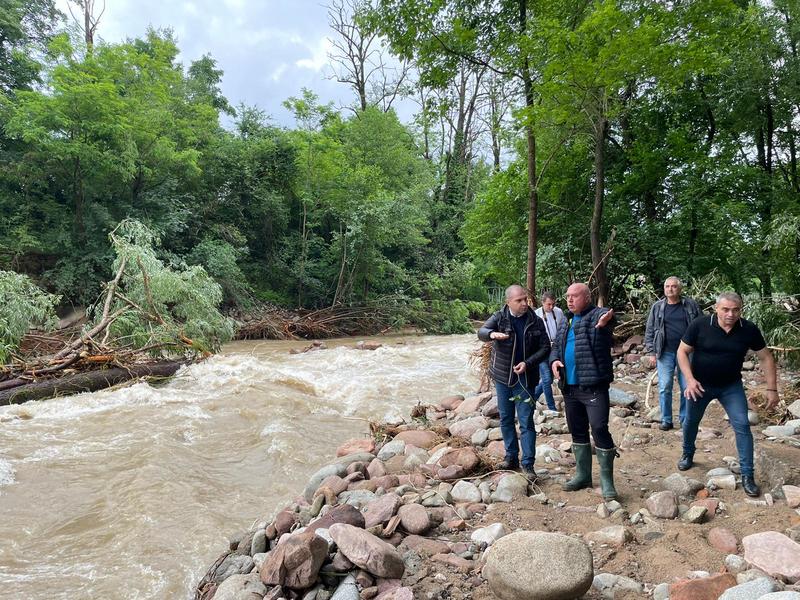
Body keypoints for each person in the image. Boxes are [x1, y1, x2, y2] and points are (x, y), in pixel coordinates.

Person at [676, 292, 780, 497]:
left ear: (741, 309)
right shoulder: (700, 324)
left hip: (730, 386)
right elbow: (682, 351)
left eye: (735, 310)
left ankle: (748, 475)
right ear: (716, 308)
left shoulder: (748, 329)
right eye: (725, 309)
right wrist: (689, 379)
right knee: (690, 421)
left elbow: (766, 357)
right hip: (700, 385)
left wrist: (772, 389)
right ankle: (688, 453)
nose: (730, 314)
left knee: (742, 425)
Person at [550, 283, 618, 499]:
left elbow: (609, 319)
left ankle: (607, 482)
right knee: (577, 430)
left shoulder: (596, 315)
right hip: (569, 386)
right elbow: (555, 348)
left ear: (587, 298)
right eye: (567, 296)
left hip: (593, 386)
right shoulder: (566, 320)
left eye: (574, 296)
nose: (569, 300)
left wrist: (607, 322)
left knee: (599, 428)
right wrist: (554, 361)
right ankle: (583, 475)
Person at [478, 284, 551, 477]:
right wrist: (491, 334)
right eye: (518, 300)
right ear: (508, 302)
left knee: (526, 421)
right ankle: (511, 458)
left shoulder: (535, 321)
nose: (524, 303)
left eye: (525, 299)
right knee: (506, 418)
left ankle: (528, 464)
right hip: (503, 378)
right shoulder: (499, 317)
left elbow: (545, 348)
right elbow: (482, 332)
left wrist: (528, 363)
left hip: (525, 378)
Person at [644, 277, 701, 431]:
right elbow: (650, 330)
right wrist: (651, 352)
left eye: (674, 286)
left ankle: (684, 419)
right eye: (667, 286)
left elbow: (700, 327)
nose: (670, 289)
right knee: (665, 386)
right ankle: (666, 420)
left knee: (686, 386)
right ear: (664, 289)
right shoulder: (657, 307)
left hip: (687, 352)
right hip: (665, 352)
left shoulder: (690, 305)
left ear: (680, 289)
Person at [533, 291, 565, 411]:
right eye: (548, 304)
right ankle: (552, 408)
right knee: (546, 379)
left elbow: (562, 328)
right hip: (541, 350)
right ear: (542, 303)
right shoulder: (536, 315)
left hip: (556, 349)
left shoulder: (559, 312)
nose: (551, 307)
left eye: (553, 304)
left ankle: (531, 398)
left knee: (550, 380)